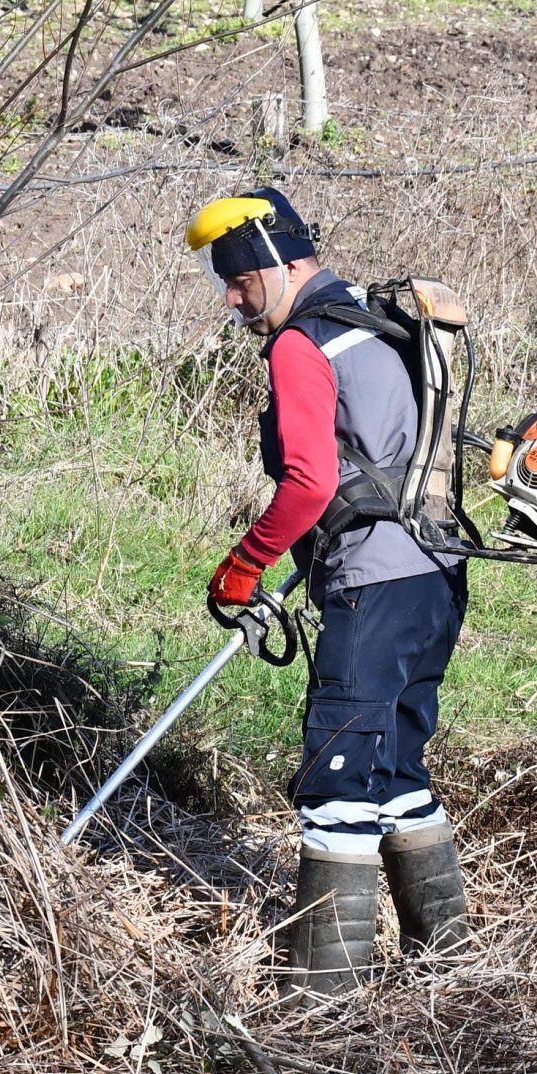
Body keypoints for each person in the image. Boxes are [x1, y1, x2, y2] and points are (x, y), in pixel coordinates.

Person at [186, 187, 471, 1000]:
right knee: (397, 767)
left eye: (239, 281)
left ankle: (324, 1004)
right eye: (224, 284)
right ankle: (447, 968)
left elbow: (309, 483)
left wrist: (244, 565)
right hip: (436, 579)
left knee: (339, 781)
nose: (234, 300)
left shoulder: (301, 346)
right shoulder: (376, 322)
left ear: (278, 264)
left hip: (371, 590)